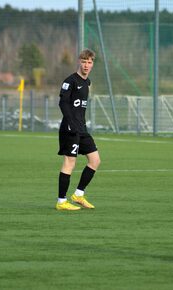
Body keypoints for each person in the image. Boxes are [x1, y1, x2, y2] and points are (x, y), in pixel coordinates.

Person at [55, 49, 101, 211]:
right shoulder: (70, 81)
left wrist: (80, 124)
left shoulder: (87, 82)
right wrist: (71, 122)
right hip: (70, 128)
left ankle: (78, 195)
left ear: (92, 64)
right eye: (83, 61)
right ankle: (61, 202)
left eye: (89, 62)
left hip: (81, 127)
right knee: (70, 162)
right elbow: (63, 103)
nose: (86, 65)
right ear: (79, 62)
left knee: (95, 160)